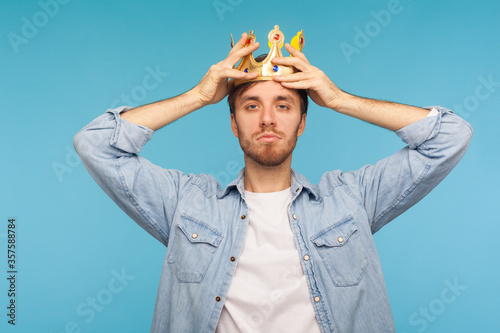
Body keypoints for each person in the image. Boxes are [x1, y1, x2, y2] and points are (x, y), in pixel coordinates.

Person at [74, 27, 473, 332]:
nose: (267, 119)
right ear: (233, 123)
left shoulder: (350, 199)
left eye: (283, 105)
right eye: (251, 105)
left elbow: (450, 136)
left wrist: (338, 99)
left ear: (301, 123)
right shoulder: (186, 204)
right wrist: (198, 95)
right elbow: (95, 144)